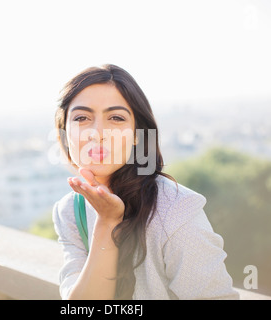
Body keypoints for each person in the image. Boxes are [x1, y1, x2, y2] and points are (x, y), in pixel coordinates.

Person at [52, 64, 239, 300]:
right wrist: (107, 221)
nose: (97, 133)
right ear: (64, 133)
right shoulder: (69, 211)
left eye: (116, 118)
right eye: (81, 118)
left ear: (137, 135)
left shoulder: (175, 211)